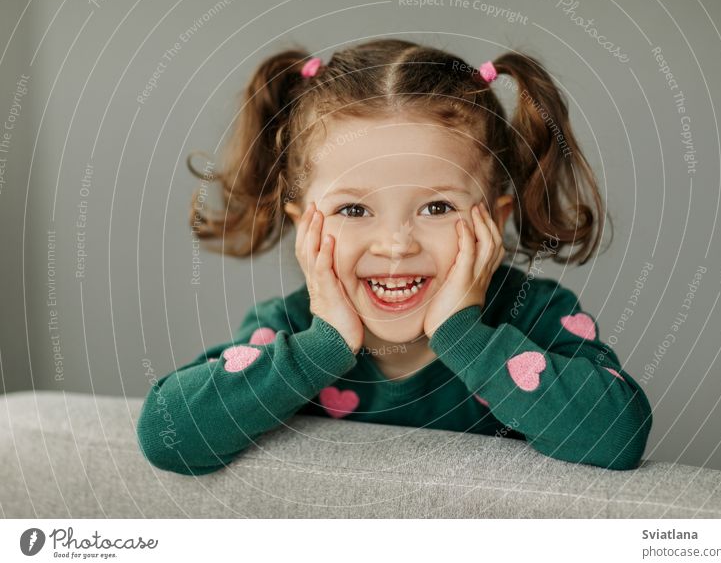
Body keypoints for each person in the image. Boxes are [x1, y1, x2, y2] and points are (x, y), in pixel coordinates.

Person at [136, 38, 652, 476]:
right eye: (355, 208)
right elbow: (168, 436)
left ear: (493, 221)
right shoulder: (290, 332)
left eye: (436, 206)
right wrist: (323, 348)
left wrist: (466, 338)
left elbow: (618, 438)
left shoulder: (535, 315)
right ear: (302, 225)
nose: (396, 244)